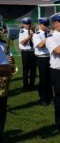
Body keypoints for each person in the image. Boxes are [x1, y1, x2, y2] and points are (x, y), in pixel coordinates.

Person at [0, 15, 15, 143]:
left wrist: (11, 61)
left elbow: (12, 67)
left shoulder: (4, 44)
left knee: (2, 111)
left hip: (3, 84)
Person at [32, 17, 53, 106]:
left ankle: (50, 97)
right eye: (44, 25)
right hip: (42, 58)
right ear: (40, 25)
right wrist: (49, 37)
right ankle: (43, 98)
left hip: (50, 57)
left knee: (50, 79)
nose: (46, 26)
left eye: (46, 24)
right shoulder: (36, 34)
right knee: (43, 79)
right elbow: (40, 45)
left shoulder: (48, 33)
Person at [18, 17, 36, 90]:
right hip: (25, 53)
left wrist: (33, 35)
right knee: (26, 69)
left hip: (32, 52)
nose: (28, 25)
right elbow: (23, 42)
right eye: (26, 24)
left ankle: (32, 85)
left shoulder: (33, 31)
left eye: (29, 23)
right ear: (23, 24)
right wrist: (30, 36)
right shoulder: (22, 31)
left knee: (33, 70)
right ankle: (25, 86)